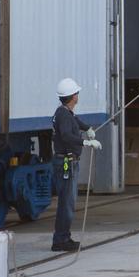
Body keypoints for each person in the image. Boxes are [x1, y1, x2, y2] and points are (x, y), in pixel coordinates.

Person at [51, 77, 102, 252]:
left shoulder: (64, 112)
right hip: (66, 163)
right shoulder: (64, 115)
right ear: (73, 96)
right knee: (67, 203)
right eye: (77, 93)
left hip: (67, 161)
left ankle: (63, 237)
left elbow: (75, 121)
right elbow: (66, 135)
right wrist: (85, 143)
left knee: (67, 202)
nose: (78, 96)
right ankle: (61, 240)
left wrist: (87, 128)